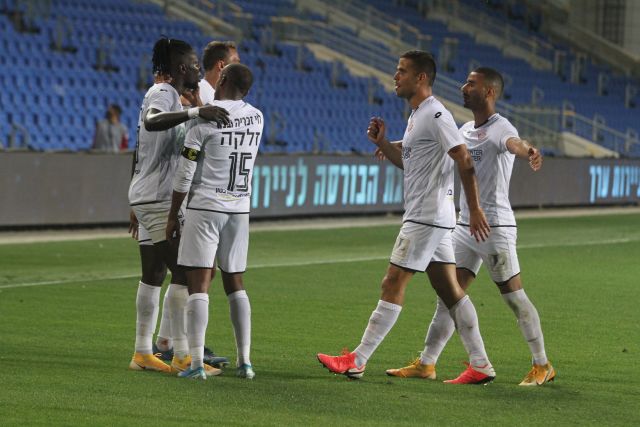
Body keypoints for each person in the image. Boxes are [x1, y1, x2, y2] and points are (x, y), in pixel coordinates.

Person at [317, 51, 496, 384]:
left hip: (426, 217)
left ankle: (357, 359)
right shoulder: (418, 115)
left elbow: (464, 159)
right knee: (451, 292)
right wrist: (385, 143)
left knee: (393, 282)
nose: (395, 77)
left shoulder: (436, 114)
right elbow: (411, 164)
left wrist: (475, 209)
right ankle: (481, 363)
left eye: (402, 71)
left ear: (421, 78)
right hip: (433, 217)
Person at [386, 67, 555, 386]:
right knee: (450, 297)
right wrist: (393, 142)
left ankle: (542, 364)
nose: (464, 87)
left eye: (471, 84)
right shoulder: (464, 129)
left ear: (489, 92)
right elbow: (436, 143)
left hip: (494, 227)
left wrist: (529, 151)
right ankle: (427, 363)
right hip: (464, 226)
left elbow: (515, 143)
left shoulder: (501, 127)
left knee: (513, 297)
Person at [127, 37, 231, 376]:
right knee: (187, 272)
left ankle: (143, 352)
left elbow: (141, 147)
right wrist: (196, 111)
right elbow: (151, 121)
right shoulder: (163, 93)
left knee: (154, 274)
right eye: (195, 65)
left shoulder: (171, 96)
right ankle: (183, 355)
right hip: (157, 198)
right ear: (182, 67)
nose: (199, 70)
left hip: (146, 195)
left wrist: (195, 106)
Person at [166, 63, 263, 380]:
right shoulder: (258, 117)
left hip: (206, 207)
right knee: (235, 283)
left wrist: (173, 215)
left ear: (221, 79)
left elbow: (184, 175)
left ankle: (196, 363)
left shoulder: (203, 125)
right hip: (239, 209)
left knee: (198, 285)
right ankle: (245, 362)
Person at [198, 41, 240, 105]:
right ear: (221, 65)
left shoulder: (228, 98)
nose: (240, 66)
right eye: (234, 61)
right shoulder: (196, 92)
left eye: (239, 62)